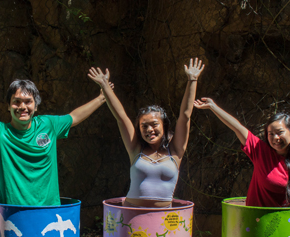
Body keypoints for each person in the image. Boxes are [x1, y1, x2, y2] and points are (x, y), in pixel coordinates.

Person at [0, 40, 109, 206]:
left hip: (48, 212)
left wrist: (102, 97)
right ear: (8, 106)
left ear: (36, 106)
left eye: (28, 101)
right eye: (16, 102)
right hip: (14, 216)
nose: (22, 107)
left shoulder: (48, 125)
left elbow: (74, 117)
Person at [87, 58, 205, 207]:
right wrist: (104, 85)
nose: (149, 130)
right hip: (131, 219)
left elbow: (185, 115)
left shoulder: (175, 151)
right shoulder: (136, 150)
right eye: (144, 126)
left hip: (163, 222)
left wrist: (192, 80)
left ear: (164, 125)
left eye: (154, 124)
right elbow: (121, 117)